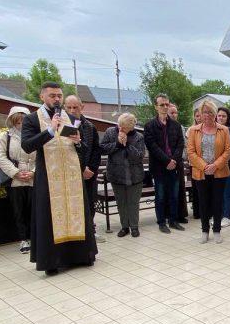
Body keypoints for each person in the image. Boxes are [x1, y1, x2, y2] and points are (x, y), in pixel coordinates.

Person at [21, 82, 97, 275]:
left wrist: (78, 142)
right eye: (52, 95)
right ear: (42, 97)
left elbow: (83, 148)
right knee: (50, 217)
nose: (57, 99)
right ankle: (52, 261)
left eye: (59, 95)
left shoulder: (70, 118)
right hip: (48, 176)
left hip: (71, 176)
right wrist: (49, 131)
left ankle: (81, 255)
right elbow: (27, 146)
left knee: (76, 213)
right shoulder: (31, 119)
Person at [186, 100, 230, 243]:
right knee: (203, 202)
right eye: (204, 112)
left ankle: (217, 230)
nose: (207, 115)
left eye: (210, 112)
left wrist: (215, 165)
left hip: (219, 172)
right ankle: (205, 231)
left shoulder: (224, 130)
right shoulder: (193, 130)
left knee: (218, 202)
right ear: (200, 114)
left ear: (215, 114)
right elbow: (191, 152)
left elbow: (228, 150)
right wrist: (204, 166)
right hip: (201, 172)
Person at [0, 106, 35, 253]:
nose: (21, 124)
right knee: (19, 210)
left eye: (24, 121)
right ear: (12, 121)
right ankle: (23, 239)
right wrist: (15, 172)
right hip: (15, 179)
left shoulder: (36, 136)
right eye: (18, 122)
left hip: (34, 177)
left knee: (34, 209)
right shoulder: (5, 136)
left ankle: (35, 237)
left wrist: (33, 172)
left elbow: (43, 156)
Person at [63, 95, 104, 242]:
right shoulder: (61, 127)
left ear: (82, 107)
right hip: (69, 173)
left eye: (75, 107)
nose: (72, 110)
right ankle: (75, 233)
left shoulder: (90, 126)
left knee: (89, 203)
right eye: (69, 107)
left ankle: (90, 230)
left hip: (88, 173)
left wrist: (90, 168)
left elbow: (96, 150)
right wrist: (80, 169)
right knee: (72, 204)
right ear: (64, 108)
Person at [144, 93, 185, 233]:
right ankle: (161, 222)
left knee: (174, 195)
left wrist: (174, 160)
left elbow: (180, 144)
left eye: (167, 104)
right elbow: (152, 146)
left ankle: (173, 220)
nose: (165, 107)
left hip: (174, 166)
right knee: (160, 196)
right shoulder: (149, 126)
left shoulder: (176, 125)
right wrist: (167, 161)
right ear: (156, 107)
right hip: (159, 167)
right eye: (162, 105)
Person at [100, 113, 145, 237]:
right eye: (119, 125)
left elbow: (140, 156)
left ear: (132, 127)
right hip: (116, 174)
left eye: (124, 127)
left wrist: (127, 145)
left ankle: (134, 227)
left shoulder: (138, 137)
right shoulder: (110, 132)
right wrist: (117, 144)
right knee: (121, 202)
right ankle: (124, 227)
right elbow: (102, 149)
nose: (121, 129)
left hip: (134, 176)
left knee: (133, 202)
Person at [168, 103, 189, 224]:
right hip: (166, 162)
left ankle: (181, 214)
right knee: (168, 190)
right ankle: (169, 215)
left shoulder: (180, 127)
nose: (174, 115)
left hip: (178, 161)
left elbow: (183, 144)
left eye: (175, 112)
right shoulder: (162, 126)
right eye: (172, 112)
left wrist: (177, 159)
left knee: (180, 189)